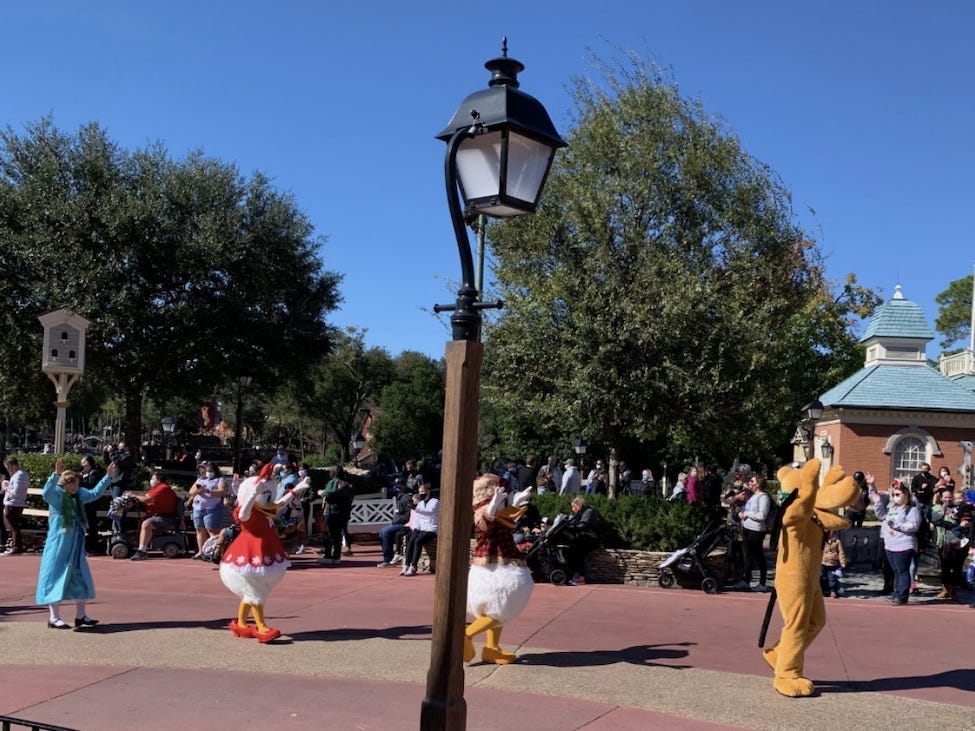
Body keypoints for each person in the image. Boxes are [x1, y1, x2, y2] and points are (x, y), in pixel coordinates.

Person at [36, 458, 118, 628]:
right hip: (59, 545)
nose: (75, 487)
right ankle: (54, 617)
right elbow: (46, 493)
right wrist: (54, 475)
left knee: (80, 577)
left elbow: (95, 493)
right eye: (72, 484)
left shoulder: (79, 496)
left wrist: (107, 477)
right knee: (55, 576)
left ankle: (81, 615)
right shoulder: (57, 496)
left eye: (76, 484)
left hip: (75, 545)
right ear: (64, 483)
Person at [870, 477, 921, 605]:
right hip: (890, 544)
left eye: (898, 494)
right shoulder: (892, 507)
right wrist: (875, 497)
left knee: (903, 570)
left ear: (905, 494)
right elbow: (881, 515)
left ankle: (902, 596)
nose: (895, 497)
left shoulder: (912, 509)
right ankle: (897, 593)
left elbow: (913, 525)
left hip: (903, 544)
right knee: (896, 571)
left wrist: (897, 525)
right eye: (894, 494)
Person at [126, 471, 180, 561]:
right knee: (142, 521)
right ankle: (139, 545)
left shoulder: (163, 488)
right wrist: (134, 496)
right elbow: (145, 496)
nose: (151, 480)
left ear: (158, 480)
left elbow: (147, 499)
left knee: (146, 524)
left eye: (152, 478)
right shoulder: (156, 489)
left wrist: (134, 495)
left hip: (166, 518)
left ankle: (142, 551)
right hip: (157, 516)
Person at [930, 486, 968, 600]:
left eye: (950, 497)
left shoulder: (959, 508)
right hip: (945, 542)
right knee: (945, 567)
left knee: (957, 567)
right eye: (945, 497)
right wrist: (943, 510)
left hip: (959, 542)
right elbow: (935, 520)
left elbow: (966, 519)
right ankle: (945, 589)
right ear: (941, 498)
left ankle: (955, 591)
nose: (948, 499)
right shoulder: (936, 508)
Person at [738, 474, 771, 592]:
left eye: (752, 481)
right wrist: (742, 513)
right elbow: (749, 509)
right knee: (747, 556)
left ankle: (762, 583)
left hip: (756, 531)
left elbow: (762, 515)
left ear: (758, 484)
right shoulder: (753, 496)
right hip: (747, 528)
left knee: (758, 556)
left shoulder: (764, 497)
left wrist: (747, 514)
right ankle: (746, 581)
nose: (750, 483)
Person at [187, 461, 227, 559]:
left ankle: (215, 551)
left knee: (212, 530)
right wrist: (198, 491)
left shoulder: (219, 480)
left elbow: (222, 491)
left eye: (208, 470)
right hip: (198, 507)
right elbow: (191, 491)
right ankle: (202, 552)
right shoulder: (200, 480)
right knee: (200, 529)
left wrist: (208, 491)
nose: (204, 471)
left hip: (212, 508)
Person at [318, 465, 355, 565]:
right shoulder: (347, 484)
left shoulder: (333, 482)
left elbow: (329, 494)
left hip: (333, 512)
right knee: (337, 535)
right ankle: (337, 556)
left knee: (328, 534)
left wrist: (321, 493)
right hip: (344, 513)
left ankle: (328, 555)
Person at [401, 481, 439, 576]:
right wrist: (415, 529)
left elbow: (429, 512)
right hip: (421, 528)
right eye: (420, 492)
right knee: (411, 539)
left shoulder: (435, 501)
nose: (422, 493)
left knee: (418, 541)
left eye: (423, 491)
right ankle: (407, 565)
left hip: (431, 529)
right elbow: (417, 518)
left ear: (428, 491)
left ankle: (414, 566)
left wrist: (415, 507)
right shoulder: (420, 503)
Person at [563, 496, 600, 585]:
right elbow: (573, 523)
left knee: (577, 550)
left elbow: (582, 525)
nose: (572, 509)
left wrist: (571, 526)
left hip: (591, 538)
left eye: (573, 506)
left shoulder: (588, 511)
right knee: (570, 547)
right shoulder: (578, 513)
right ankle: (571, 573)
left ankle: (580, 576)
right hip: (583, 537)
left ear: (578, 505)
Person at [377, 483, 413, 567]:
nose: (397, 489)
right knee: (382, 532)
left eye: (399, 486)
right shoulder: (400, 497)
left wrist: (398, 519)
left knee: (386, 532)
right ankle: (388, 557)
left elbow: (409, 515)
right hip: (396, 522)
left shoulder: (407, 498)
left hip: (404, 524)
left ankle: (388, 560)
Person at [79, 456, 107, 554]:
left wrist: (82, 483)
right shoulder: (81, 473)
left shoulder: (94, 473)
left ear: (89, 462)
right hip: (82, 502)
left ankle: (92, 547)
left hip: (91, 502)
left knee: (91, 524)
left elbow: (91, 485)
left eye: (84, 461)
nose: (82, 462)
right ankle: (83, 546)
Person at [2, 457, 29, 555]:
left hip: (13, 504)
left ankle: (16, 547)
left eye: (8, 467)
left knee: (14, 527)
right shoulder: (21, 474)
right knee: (14, 527)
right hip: (16, 504)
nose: (8, 470)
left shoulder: (19, 475)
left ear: (12, 465)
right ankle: (17, 546)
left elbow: (15, 492)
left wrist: (6, 488)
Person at [820, 531, 848, 598]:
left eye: (831, 532)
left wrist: (843, 562)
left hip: (832, 564)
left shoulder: (837, 541)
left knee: (831, 578)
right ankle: (822, 590)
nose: (829, 533)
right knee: (821, 576)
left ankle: (832, 591)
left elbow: (841, 552)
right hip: (823, 563)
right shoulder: (822, 539)